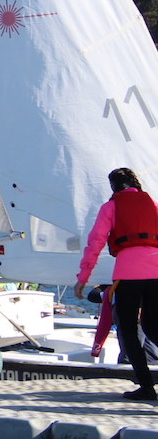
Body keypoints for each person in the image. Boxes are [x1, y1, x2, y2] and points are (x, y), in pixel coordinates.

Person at [76, 167, 158, 400]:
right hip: (156, 273)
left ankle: (147, 388)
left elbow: (95, 243)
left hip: (127, 276)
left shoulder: (110, 207)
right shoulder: (152, 203)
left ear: (113, 187)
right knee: (154, 329)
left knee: (129, 331)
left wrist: (83, 278)